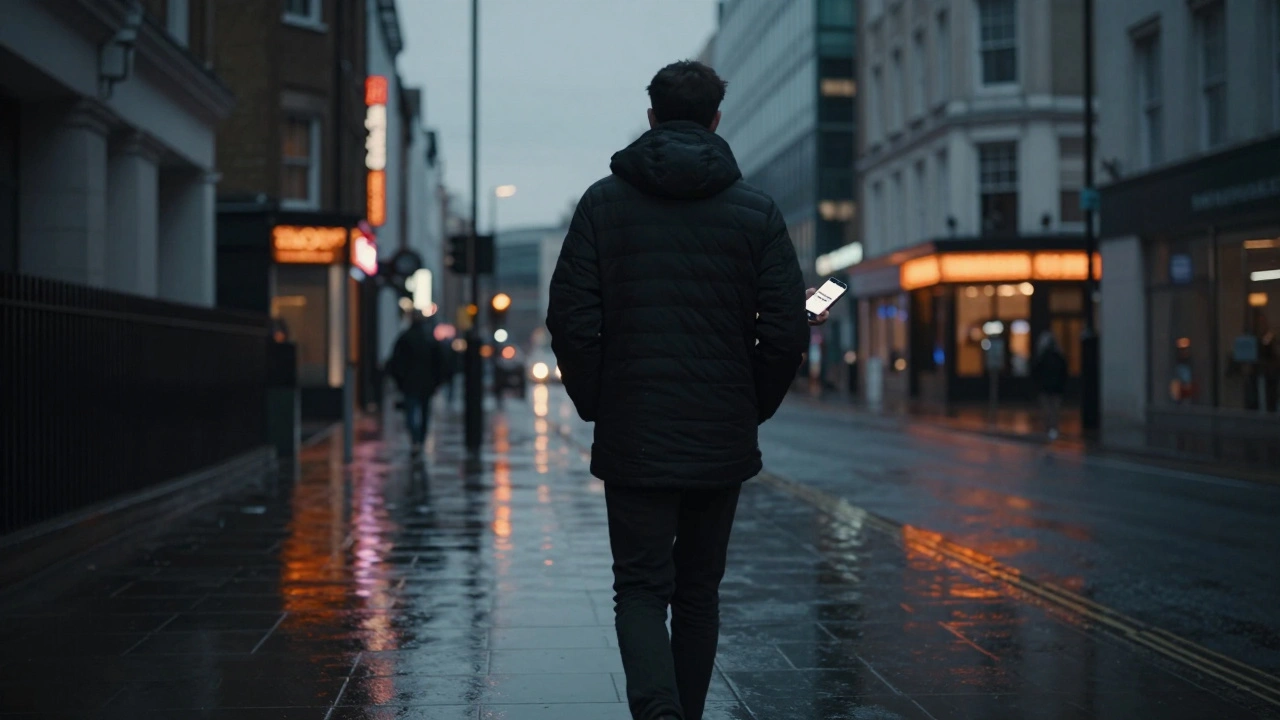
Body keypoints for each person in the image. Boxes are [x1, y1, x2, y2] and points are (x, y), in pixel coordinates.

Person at [546, 60, 826, 720]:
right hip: (719, 433)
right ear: (716, 120)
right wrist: (750, 405)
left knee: (641, 587)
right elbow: (785, 330)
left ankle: (658, 712)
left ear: (651, 117)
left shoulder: (601, 205)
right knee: (699, 590)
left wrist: (599, 402)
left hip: (634, 431)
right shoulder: (757, 212)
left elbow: (571, 320)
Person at [386, 313, 447, 457]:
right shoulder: (429, 339)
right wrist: (437, 382)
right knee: (424, 413)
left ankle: (416, 439)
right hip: (426, 384)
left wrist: (400, 381)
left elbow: (395, 362)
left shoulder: (405, 338)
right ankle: (420, 439)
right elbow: (440, 363)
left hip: (410, 384)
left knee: (410, 413)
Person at [1033, 330, 1068, 440]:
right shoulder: (1059, 357)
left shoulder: (1042, 357)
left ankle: (1048, 429)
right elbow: (1064, 373)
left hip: (1045, 387)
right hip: (1057, 387)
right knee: (1055, 410)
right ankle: (1053, 429)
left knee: (1047, 410)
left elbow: (1036, 373)